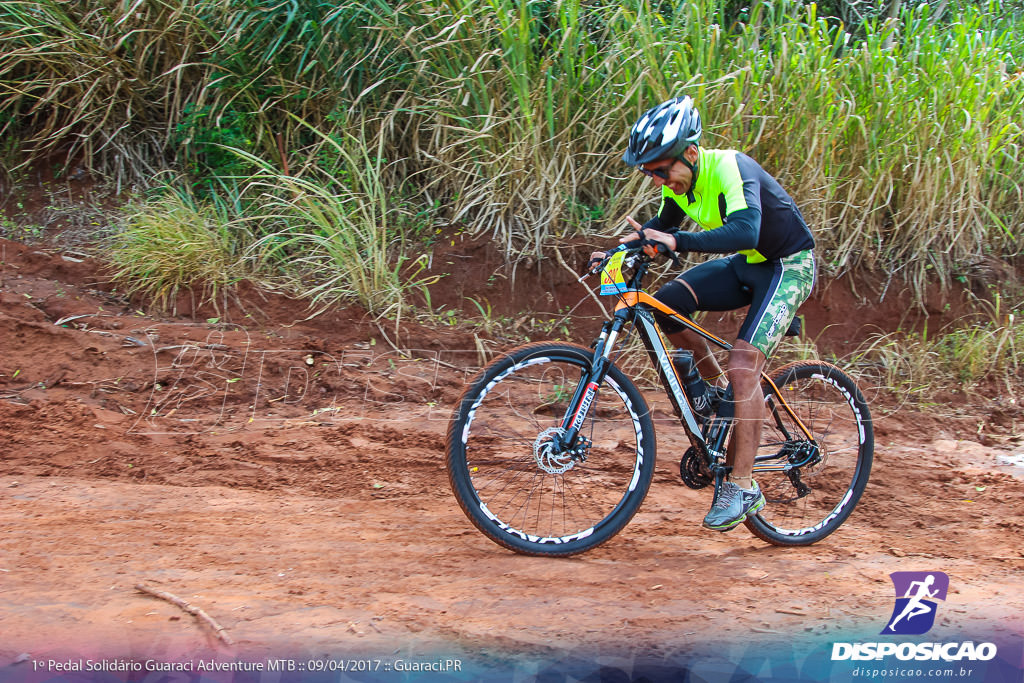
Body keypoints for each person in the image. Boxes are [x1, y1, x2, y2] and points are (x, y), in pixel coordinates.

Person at [618, 95, 816, 532]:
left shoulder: (730, 166)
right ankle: (714, 393)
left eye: (661, 169)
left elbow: (748, 229)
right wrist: (621, 249)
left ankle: (742, 486)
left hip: (788, 266)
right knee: (667, 306)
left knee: (744, 364)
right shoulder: (679, 186)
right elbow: (663, 227)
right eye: (649, 173)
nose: (657, 181)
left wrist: (677, 243)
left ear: (690, 152)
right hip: (748, 263)